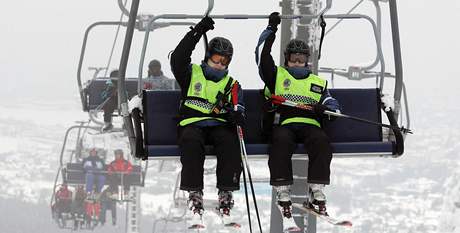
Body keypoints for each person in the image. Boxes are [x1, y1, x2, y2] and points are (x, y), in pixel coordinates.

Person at [257, 12, 341, 220]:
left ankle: (316, 189)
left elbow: (331, 103)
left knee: (321, 141)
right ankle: (282, 189)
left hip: (310, 123)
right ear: (287, 60)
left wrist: (327, 109)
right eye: (292, 59)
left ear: (307, 61)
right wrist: (271, 30)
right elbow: (262, 58)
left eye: (301, 59)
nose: (296, 63)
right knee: (281, 141)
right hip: (286, 122)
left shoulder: (317, 83)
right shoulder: (278, 76)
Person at [170, 16, 245, 219]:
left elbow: (239, 107)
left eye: (225, 61)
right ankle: (195, 191)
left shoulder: (232, 84)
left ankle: (226, 190)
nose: (220, 65)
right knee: (191, 141)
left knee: (229, 141)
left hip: (218, 124)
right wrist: (197, 32)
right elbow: (178, 58)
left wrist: (236, 115)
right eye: (216, 59)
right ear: (208, 56)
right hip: (192, 123)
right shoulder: (191, 74)